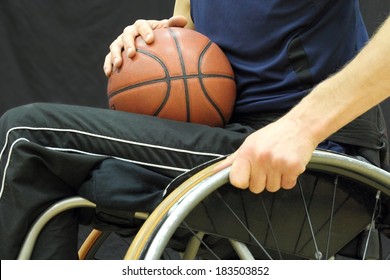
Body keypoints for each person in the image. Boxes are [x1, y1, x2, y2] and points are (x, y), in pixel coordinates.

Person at [0, 0, 387, 259]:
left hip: (317, 160)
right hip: (230, 140)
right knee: (64, 167)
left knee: (28, 138)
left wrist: (302, 126)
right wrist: (158, 48)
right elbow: (198, 52)